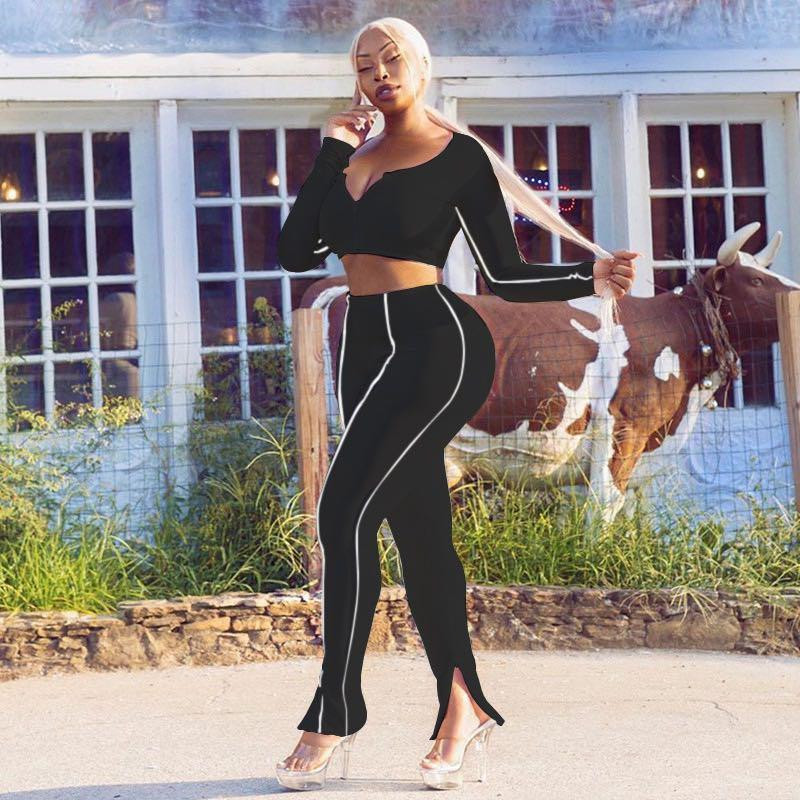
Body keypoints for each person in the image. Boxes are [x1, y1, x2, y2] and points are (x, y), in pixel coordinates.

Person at [275, 16, 637, 791]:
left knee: (342, 513)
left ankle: (335, 708)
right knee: (420, 535)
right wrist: (332, 151)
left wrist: (588, 278)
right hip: (363, 345)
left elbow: (504, 274)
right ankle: (463, 703)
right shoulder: (352, 158)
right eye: (364, 64)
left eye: (391, 58)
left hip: (435, 344)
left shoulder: (457, 155)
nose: (378, 72)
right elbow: (295, 251)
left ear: (422, 64)